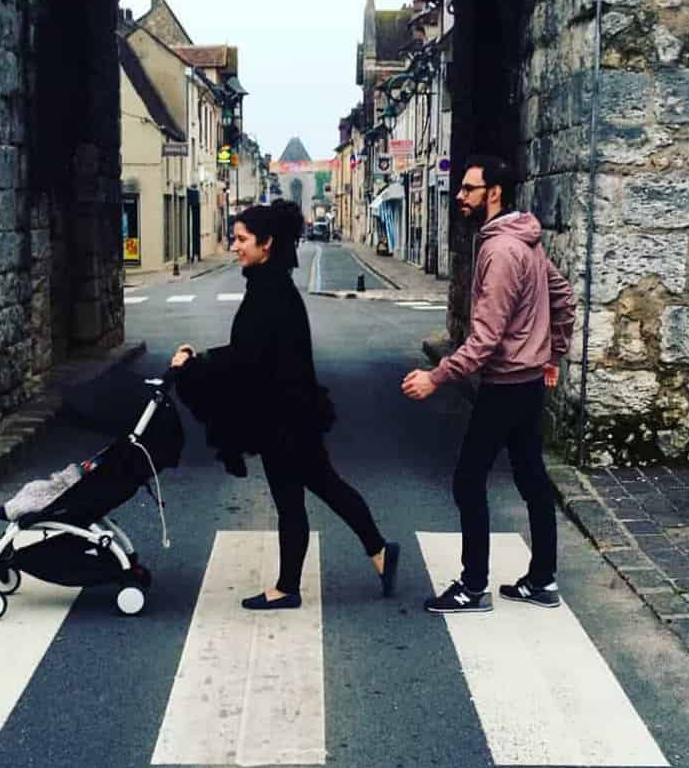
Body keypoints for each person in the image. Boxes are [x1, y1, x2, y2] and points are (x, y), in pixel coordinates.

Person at [171, 200, 401, 610]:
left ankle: (293, 586)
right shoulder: (269, 285)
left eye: (241, 239)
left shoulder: (270, 292)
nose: (234, 247)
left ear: (267, 242)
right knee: (321, 487)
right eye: (234, 238)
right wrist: (202, 359)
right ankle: (377, 552)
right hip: (291, 411)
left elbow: (247, 358)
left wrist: (194, 365)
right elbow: (249, 351)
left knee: (296, 497)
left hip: (283, 416)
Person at [402, 155, 575, 614]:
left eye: (469, 189)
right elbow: (564, 299)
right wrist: (552, 354)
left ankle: (472, 587)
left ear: (493, 193)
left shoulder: (500, 251)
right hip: (529, 382)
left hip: (505, 385)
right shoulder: (526, 241)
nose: (460, 196)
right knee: (531, 477)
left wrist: (435, 378)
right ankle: (542, 581)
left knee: (467, 480)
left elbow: (484, 339)